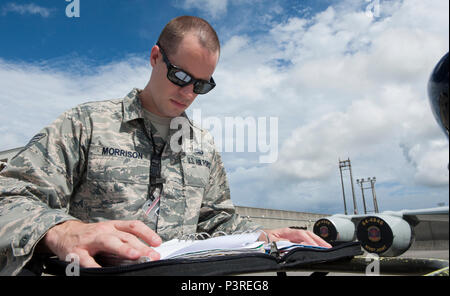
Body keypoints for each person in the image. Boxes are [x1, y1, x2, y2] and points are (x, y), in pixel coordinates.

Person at [0, 15, 330, 276]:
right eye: (181, 77)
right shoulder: (85, 124)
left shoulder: (202, 145)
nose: (188, 93)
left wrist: (263, 237)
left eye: (201, 85)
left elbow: (216, 221)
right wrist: (62, 230)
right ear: (156, 57)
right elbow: (10, 197)